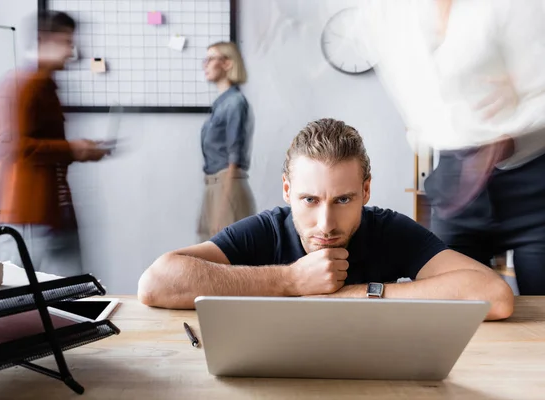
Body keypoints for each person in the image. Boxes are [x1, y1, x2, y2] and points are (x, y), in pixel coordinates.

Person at [138, 118, 514, 320]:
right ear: (287, 191)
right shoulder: (267, 229)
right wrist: (289, 280)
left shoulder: (387, 228)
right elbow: (156, 282)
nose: (326, 223)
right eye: (309, 200)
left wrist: (361, 295)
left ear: (366, 192)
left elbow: (495, 296)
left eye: (343, 199)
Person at [356, 0, 545, 295]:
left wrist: (518, 118)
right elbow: (414, 96)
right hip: (455, 178)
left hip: (532, 177)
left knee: (541, 315)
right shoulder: (386, 12)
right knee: (455, 311)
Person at [0, 11, 108, 276]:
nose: (71, 51)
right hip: (26, 213)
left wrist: (77, 150)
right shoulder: (21, 86)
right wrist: (73, 149)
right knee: (22, 300)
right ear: (42, 40)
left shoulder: (45, 86)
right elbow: (14, 148)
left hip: (53, 212)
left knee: (72, 295)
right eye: (65, 42)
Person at [198, 41, 256, 242]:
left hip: (226, 187)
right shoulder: (221, 104)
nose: (205, 65)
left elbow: (235, 158)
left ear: (227, 63)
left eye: (210, 59)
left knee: (226, 263)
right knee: (205, 258)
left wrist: (223, 206)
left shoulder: (234, 103)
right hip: (214, 187)